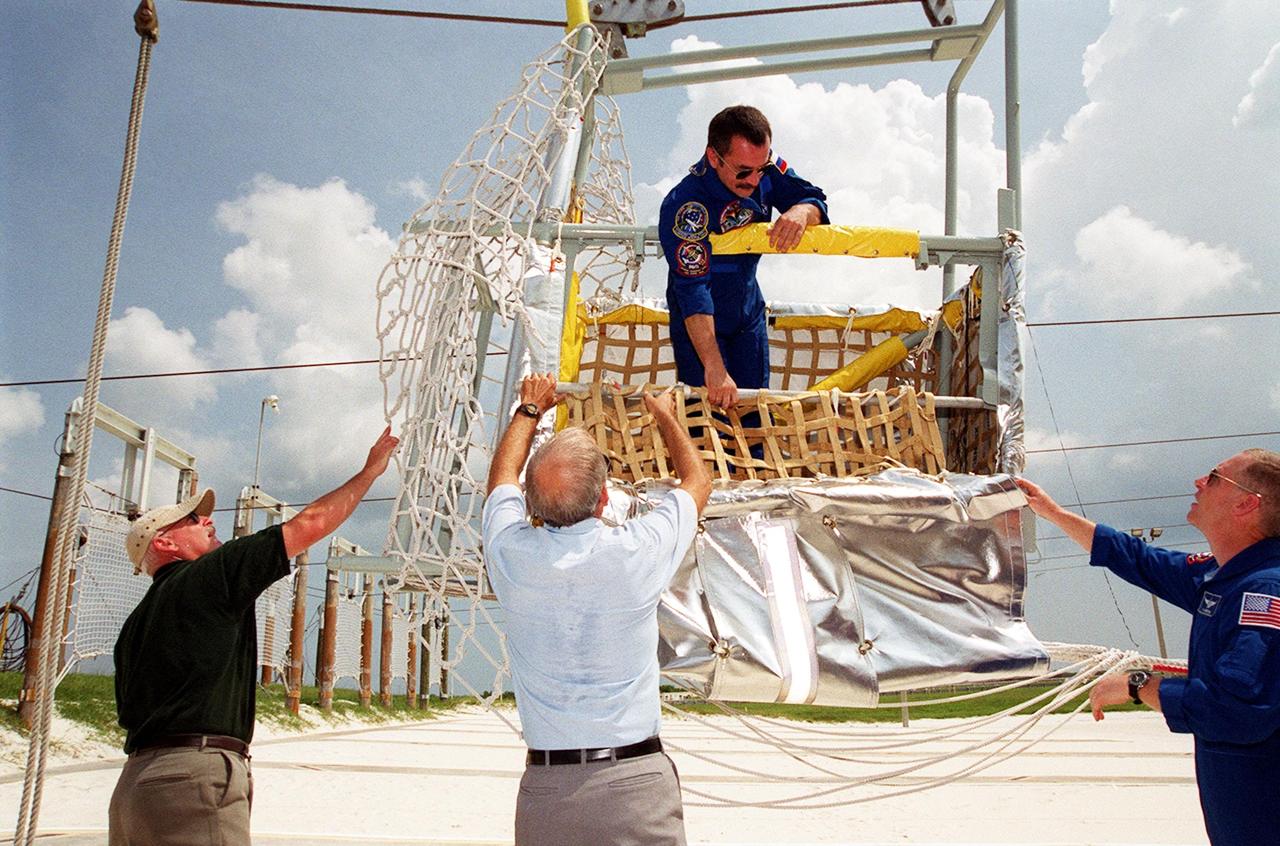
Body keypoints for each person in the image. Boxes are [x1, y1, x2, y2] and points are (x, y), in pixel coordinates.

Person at [109, 426, 400, 846]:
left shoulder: (134, 625)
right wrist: (370, 473)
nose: (208, 519)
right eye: (193, 519)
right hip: (193, 778)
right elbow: (311, 523)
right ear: (166, 542)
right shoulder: (209, 576)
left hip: (134, 788)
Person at [482, 373, 711, 846]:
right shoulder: (635, 551)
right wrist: (665, 414)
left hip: (549, 790)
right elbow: (697, 482)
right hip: (635, 783)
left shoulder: (511, 557)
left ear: (532, 505)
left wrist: (530, 409)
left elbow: (501, 479)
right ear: (604, 498)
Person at [1015, 449, 1280, 846]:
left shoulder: (1263, 591)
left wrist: (1140, 684)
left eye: (1213, 476)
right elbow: (1140, 559)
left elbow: (1238, 710)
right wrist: (1052, 512)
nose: (1199, 482)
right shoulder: (1224, 574)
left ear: (1246, 503)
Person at [659, 104, 829, 408]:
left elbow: (814, 198)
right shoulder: (685, 206)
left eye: (761, 169)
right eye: (743, 172)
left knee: (753, 417)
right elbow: (692, 289)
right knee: (705, 423)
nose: (754, 181)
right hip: (700, 323)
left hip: (748, 314)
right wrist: (714, 365)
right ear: (714, 157)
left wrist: (801, 211)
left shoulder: (763, 166)